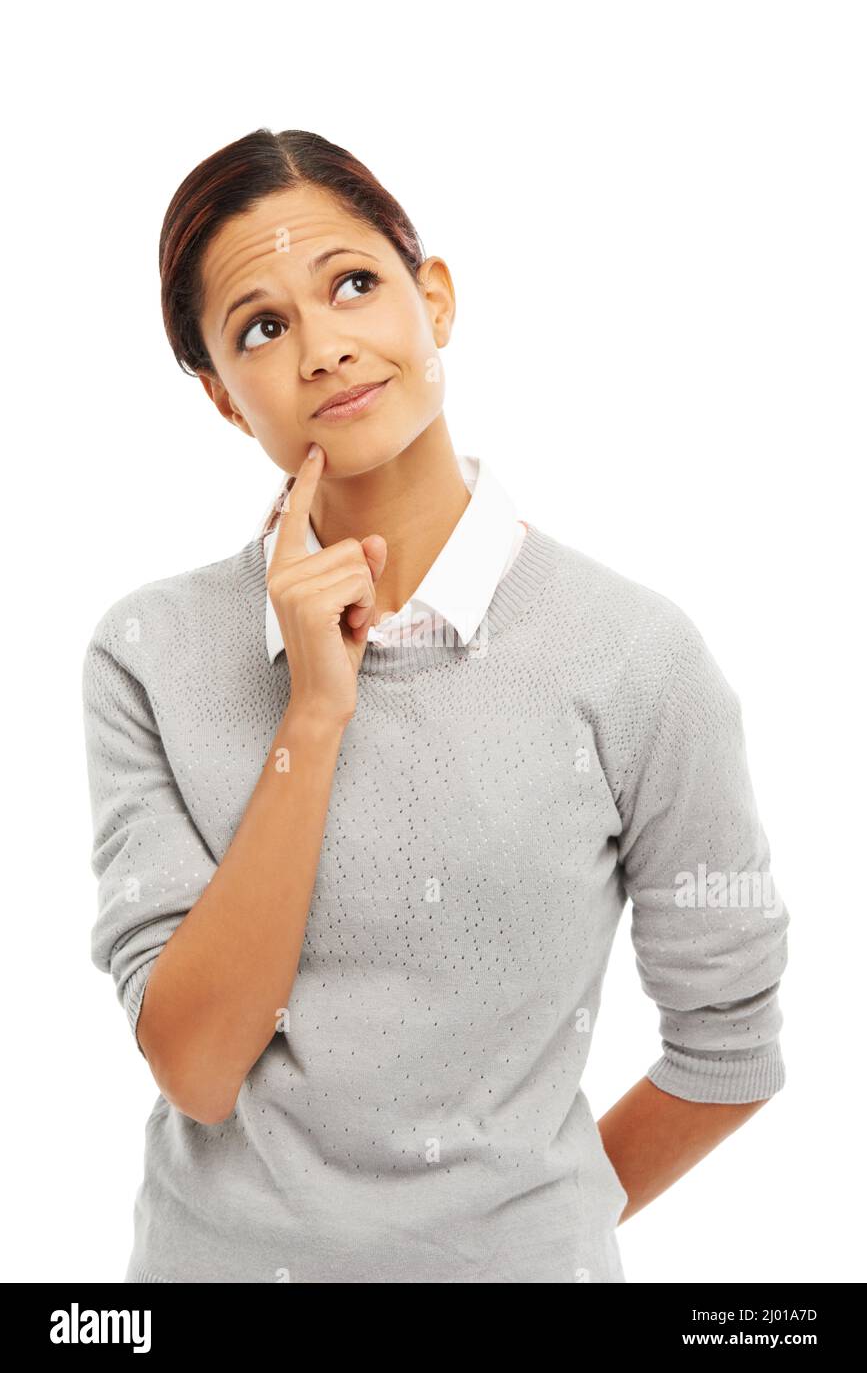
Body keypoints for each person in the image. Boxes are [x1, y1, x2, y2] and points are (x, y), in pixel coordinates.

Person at [81, 127, 790, 1284]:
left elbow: (729, 1052)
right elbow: (199, 1066)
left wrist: (522, 1235)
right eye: (261, 326)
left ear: (435, 299)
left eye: (353, 284)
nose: (322, 349)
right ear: (221, 397)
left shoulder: (636, 654)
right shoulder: (148, 652)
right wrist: (312, 715)